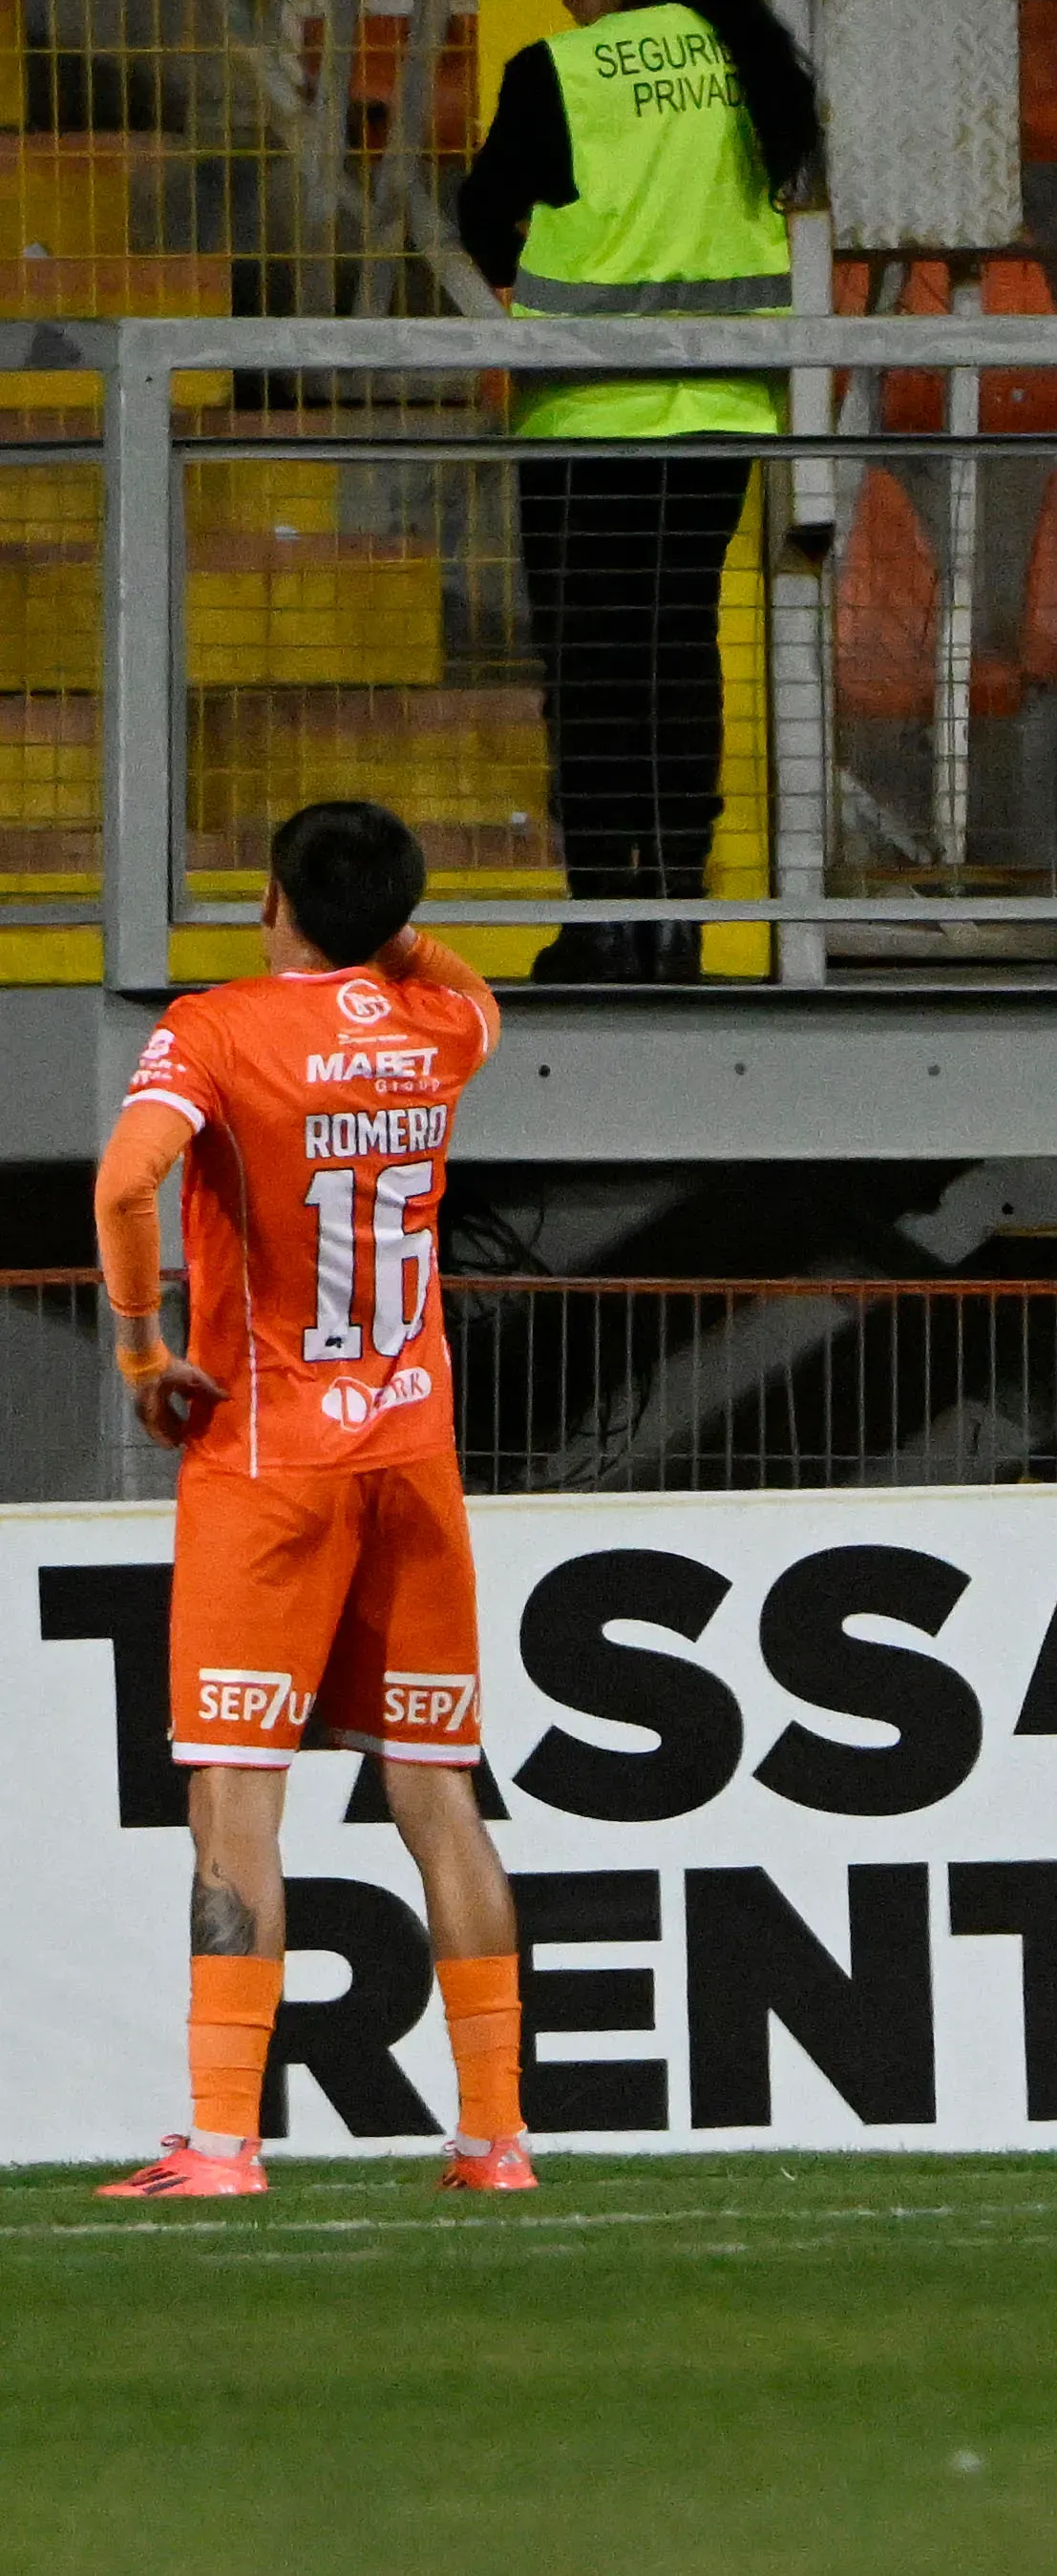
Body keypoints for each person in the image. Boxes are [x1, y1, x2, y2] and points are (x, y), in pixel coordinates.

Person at [90, 804, 525, 2198]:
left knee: (236, 1797)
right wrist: (392, 933)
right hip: (411, 1454)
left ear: (269, 896)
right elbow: (472, 992)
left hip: (268, 1462)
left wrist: (146, 1347)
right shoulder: (441, 1032)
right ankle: (495, 2140)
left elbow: (124, 1181)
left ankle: (223, 2141)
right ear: (398, 912)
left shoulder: (218, 1032)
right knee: (438, 1793)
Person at [454, 0, 821, 986]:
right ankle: (676, 912)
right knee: (676, 656)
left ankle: (604, 916)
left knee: (592, 665)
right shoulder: (756, 64)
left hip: (583, 422)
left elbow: (482, 219)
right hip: (718, 420)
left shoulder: (558, 71)